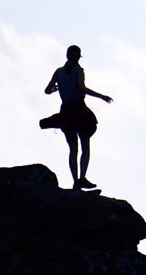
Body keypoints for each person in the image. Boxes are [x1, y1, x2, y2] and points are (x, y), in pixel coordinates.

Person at [42, 44, 113, 191]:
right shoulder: (78, 71)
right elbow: (82, 88)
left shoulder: (59, 72)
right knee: (85, 146)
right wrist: (101, 96)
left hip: (66, 112)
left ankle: (76, 181)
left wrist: (57, 88)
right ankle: (81, 179)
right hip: (79, 111)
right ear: (78, 57)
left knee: (73, 149)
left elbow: (47, 91)